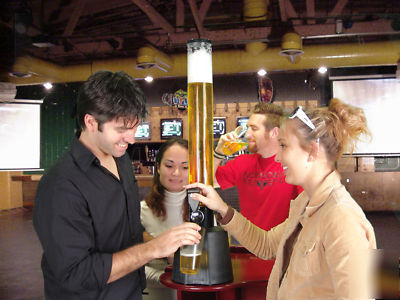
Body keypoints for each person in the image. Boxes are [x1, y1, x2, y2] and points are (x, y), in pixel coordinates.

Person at [33, 71, 201, 300]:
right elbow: (76, 274)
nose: (131, 139)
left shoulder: (121, 160)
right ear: (91, 122)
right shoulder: (60, 186)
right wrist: (153, 249)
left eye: (134, 128)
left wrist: (167, 243)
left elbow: (123, 235)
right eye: (121, 130)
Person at [188, 98, 377, 299]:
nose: (278, 157)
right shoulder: (305, 203)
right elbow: (267, 245)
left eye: (284, 146)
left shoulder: (342, 218)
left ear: (312, 151)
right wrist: (224, 210)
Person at [213, 103, 302, 230]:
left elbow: (312, 210)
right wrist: (218, 152)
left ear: (274, 132)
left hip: (284, 247)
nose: (247, 134)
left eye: (254, 129)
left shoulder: (294, 165)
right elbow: (208, 181)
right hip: (250, 245)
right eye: (247, 128)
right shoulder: (242, 163)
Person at [140, 138, 189, 299]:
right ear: (158, 168)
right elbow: (129, 264)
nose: (176, 173)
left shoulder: (205, 211)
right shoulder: (141, 210)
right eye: (169, 166)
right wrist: (166, 278)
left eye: (185, 167)